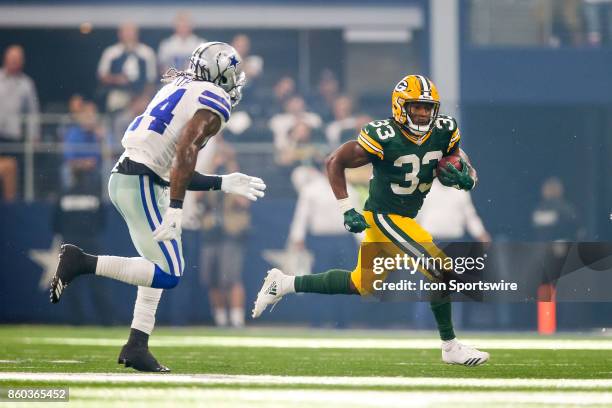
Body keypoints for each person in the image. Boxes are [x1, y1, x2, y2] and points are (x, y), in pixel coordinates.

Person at [50, 42, 266, 372]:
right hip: (141, 181)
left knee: (157, 265)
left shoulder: (181, 85)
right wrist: (177, 207)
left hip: (135, 175)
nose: (235, 81)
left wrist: (222, 182)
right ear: (218, 72)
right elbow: (185, 151)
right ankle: (81, 262)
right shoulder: (214, 97)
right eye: (232, 73)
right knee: (169, 272)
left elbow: (177, 164)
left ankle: (137, 345)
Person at [253, 75, 490, 366]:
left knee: (360, 283)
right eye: (416, 107)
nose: (423, 114)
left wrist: (470, 177)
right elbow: (334, 161)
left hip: (402, 217)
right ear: (400, 106)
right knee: (439, 267)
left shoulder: (444, 130)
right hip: (384, 216)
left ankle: (284, 283)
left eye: (428, 108)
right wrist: (345, 208)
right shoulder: (383, 135)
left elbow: (458, 159)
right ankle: (450, 346)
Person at [0, 45, 40, 200]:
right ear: (5, 59)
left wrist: (34, 135)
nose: (14, 62)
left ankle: (10, 207)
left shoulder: (26, 84)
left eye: (17, 59)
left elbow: (33, 111)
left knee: (12, 173)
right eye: (12, 59)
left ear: (22, 62)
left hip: (12, 137)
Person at [97, 22, 157, 112]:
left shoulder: (147, 53)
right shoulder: (111, 52)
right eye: (126, 32)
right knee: (114, 102)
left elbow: (151, 80)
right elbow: (102, 75)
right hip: (118, 93)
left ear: (137, 34)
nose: (129, 35)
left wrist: (143, 98)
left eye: (131, 32)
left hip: (140, 94)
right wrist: (116, 79)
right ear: (120, 34)